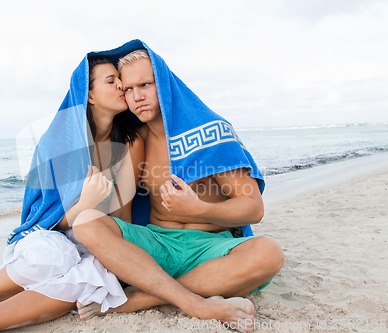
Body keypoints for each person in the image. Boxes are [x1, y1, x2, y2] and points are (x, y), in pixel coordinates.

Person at [0, 56, 145, 333]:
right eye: (111, 81)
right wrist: (84, 204)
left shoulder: (130, 143)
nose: (122, 86)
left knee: (92, 279)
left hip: (99, 237)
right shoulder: (58, 143)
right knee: (57, 256)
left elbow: (124, 216)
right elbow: (47, 216)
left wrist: (114, 247)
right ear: (89, 95)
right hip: (51, 236)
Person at [72, 41, 284, 333]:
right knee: (86, 222)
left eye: (145, 85)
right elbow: (123, 214)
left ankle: (138, 300)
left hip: (211, 248)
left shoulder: (211, 131)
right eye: (128, 89)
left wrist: (198, 209)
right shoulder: (139, 141)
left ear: (164, 83)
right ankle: (194, 302)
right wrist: (114, 248)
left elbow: (253, 208)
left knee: (268, 253)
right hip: (158, 245)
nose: (136, 97)